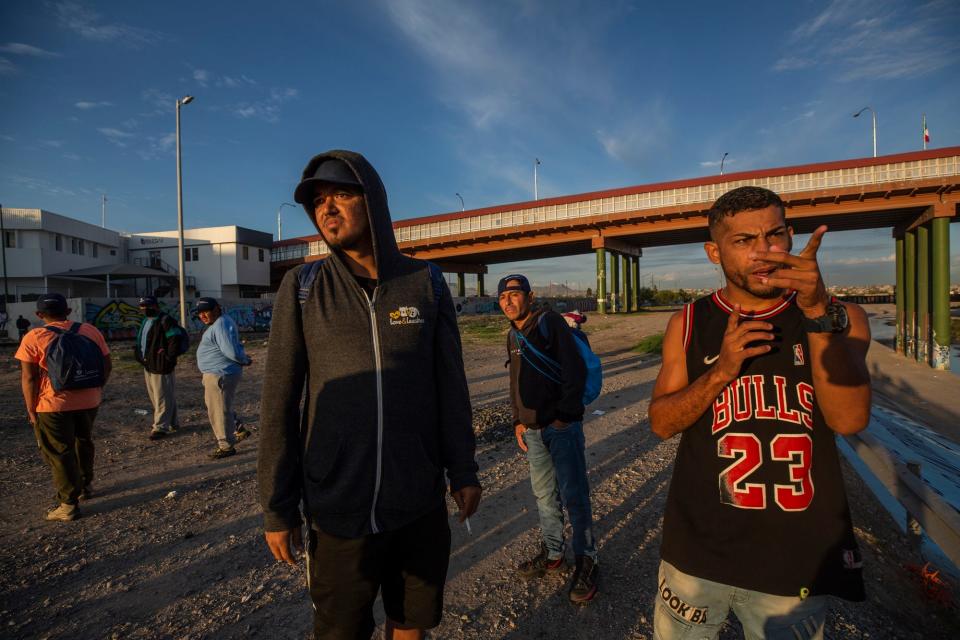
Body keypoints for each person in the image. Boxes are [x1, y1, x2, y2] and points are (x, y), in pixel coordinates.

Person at [257, 150, 481, 640]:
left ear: (373, 200)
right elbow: (279, 400)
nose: (326, 208)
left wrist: (462, 468)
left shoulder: (427, 284)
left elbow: (450, 386)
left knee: (411, 620)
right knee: (341, 630)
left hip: (418, 499)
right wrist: (278, 506)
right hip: (338, 506)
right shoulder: (303, 286)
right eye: (317, 201)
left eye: (340, 193)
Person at [649, 186, 871, 639]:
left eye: (774, 235)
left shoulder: (843, 316)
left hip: (794, 559)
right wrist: (720, 373)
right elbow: (661, 423)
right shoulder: (688, 323)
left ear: (791, 236)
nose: (764, 252)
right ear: (715, 252)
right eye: (744, 241)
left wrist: (815, 312)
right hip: (698, 553)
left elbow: (849, 420)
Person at [498, 274, 600, 604]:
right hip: (532, 431)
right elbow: (515, 382)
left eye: (514, 295)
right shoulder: (512, 334)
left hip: (561, 429)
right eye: (503, 297)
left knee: (574, 497)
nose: (508, 302)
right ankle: (554, 553)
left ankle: (587, 560)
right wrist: (517, 421)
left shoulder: (550, 323)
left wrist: (564, 416)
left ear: (529, 296)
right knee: (544, 496)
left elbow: (574, 371)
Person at [15, 293, 111, 521]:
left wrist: (31, 408)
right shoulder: (90, 330)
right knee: (83, 440)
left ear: (39, 315)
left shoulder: (34, 336)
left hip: (53, 404)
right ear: (68, 311)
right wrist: (95, 389)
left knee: (59, 451)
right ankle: (85, 486)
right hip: (89, 400)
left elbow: (29, 378)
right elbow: (106, 364)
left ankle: (68, 504)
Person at [195, 297, 252, 459]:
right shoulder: (222, 323)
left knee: (218, 411)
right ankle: (237, 430)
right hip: (220, 372)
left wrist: (244, 360)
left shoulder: (220, 324)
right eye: (200, 313)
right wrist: (244, 359)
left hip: (220, 373)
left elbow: (231, 351)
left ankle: (226, 446)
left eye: (206, 311)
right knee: (222, 407)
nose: (203, 315)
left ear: (217, 309)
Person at [134, 296, 183, 440]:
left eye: (147, 306)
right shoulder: (146, 321)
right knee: (160, 396)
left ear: (155, 306)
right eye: (142, 306)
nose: (144, 309)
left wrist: (168, 357)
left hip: (161, 365)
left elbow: (175, 339)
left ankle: (160, 427)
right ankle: (173, 422)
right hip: (148, 365)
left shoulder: (165, 320)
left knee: (162, 397)